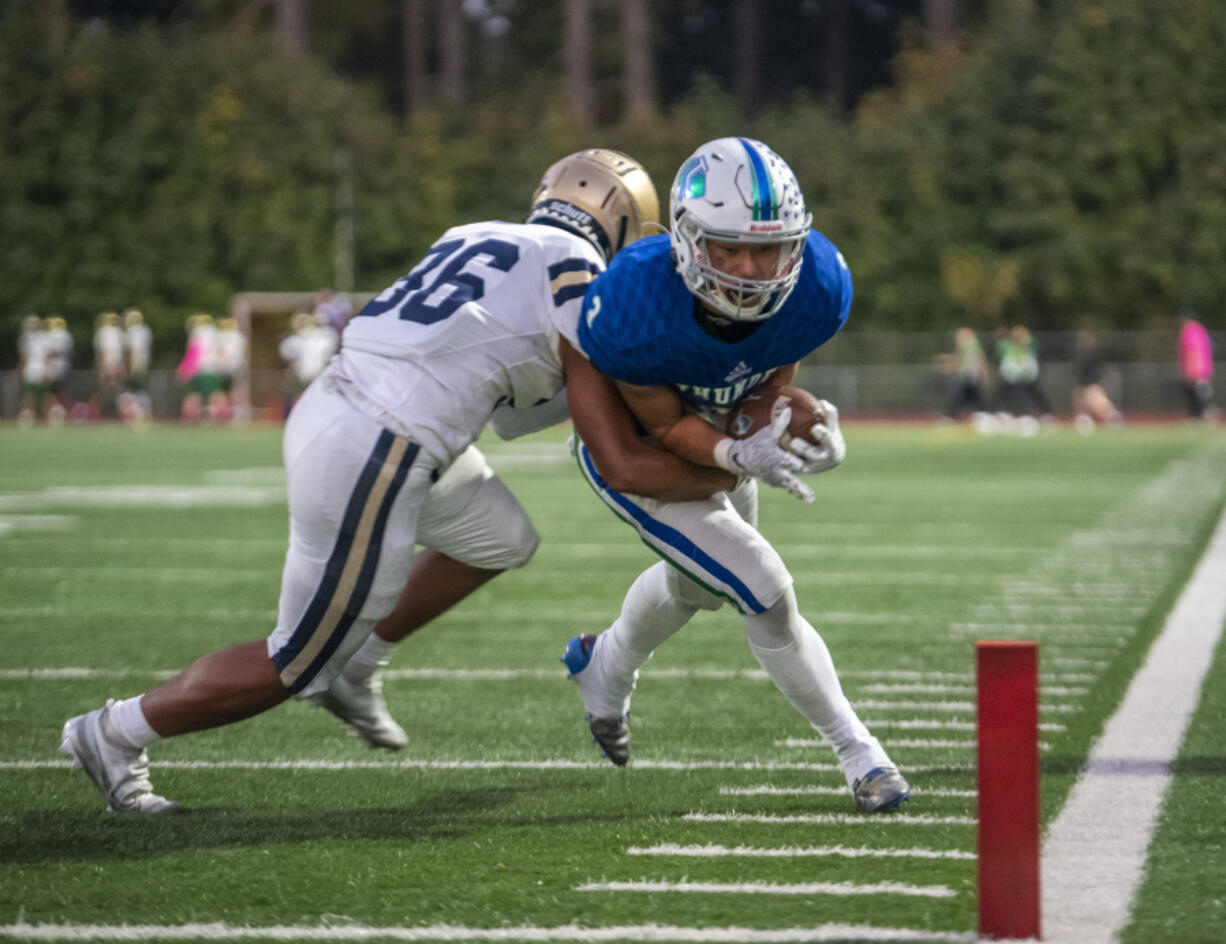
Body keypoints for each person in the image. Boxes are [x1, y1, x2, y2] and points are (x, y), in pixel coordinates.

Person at [57, 148, 741, 813]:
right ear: (629, 225)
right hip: (380, 445)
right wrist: (732, 455)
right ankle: (115, 732)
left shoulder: (478, 234)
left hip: (352, 410)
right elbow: (616, 456)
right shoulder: (580, 269)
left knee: (499, 536)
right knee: (299, 663)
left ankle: (362, 664)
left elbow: (510, 416)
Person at [554, 137, 908, 813]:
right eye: (729, 248)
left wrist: (800, 431)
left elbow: (767, 384)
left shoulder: (819, 288)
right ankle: (860, 754)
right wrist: (733, 455)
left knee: (699, 587)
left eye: (768, 249)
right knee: (763, 589)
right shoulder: (636, 299)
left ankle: (605, 667)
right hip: (644, 457)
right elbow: (659, 428)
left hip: (715, 441)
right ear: (688, 240)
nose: (750, 269)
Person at [1071, 329, 1121, 433]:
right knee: (1091, 404)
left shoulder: (1090, 356)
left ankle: (1113, 417)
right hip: (1089, 385)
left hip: (1090, 385)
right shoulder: (1089, 355)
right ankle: (1088, 420)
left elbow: (1085, 373)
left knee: (1098, 404)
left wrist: (1084, 385)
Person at [937, 326, 990, 422]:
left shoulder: (970, 344)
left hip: (970, 375)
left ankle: (950, 416)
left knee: (960, 395)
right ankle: (982, 414)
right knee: (971, 396)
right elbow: (959, 361)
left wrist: (982, 373)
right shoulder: (966, 345)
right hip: (968, 375)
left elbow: (979, 359)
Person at [1178, 311, 1215, 421]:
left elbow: (1193, 350)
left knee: (1195, 392)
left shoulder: (1190, 330)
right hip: (1203, 366)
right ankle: (1202, 414)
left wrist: (1191, 368)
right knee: (1201, 391)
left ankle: (1197, 415)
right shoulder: (1200, 329)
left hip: (1196, 367)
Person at [120, 308, 153, 423]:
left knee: (132, 391)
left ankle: (134, 414)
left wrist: (127, 369)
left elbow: (129, 353)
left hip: (133, 366)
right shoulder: (145, 332)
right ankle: (145, 413)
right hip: (142, 365)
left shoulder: (129, 333)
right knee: (141, 390)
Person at [92, 311, 126, 420]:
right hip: (116, 364)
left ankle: (101, 412)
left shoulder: (102, 332)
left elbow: (101, 352)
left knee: (106, 388)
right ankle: (111, 411)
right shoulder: (120, 333)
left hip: (108, 364)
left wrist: (100, 367)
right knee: (115, 388)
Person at [17, 314, 49, 426]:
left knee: (28, 394)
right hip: (40, 369)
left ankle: (28, 417)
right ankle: (49, 416)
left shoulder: (25, 337)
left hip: (31, 369)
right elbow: (46, 355)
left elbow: (24, 357)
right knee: (41, 395)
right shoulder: (43, 336)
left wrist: (21, 369)